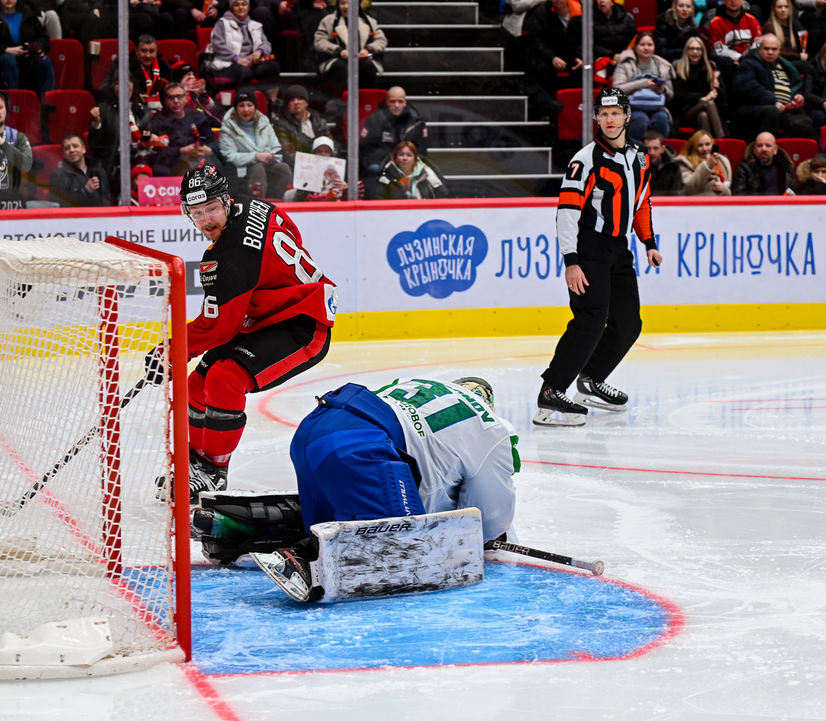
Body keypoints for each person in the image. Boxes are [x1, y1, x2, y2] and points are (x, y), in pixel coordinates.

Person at [247, 376, 520, 602]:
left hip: (313, 430)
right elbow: (491, 520)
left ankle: (246, 524)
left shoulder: (421, 386)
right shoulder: (492, 427)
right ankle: (304, 558)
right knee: (405, 557)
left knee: (339, 522)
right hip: (360, 448)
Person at [157, 164, 337, 501]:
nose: (206, 219)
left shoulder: (229, 257)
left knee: (225, 379)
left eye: (211, 208)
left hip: (303, 323)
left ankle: (213, 471)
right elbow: (291, 238)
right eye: (197, 213)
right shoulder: (258, 206)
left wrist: (169, 352)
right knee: (196, 385)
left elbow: (216, 327)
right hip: (267, 317)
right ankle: (196, 463)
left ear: (225, 200)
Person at [536, 88, 662, 427]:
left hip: (619, 249)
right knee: (590, 320)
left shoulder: (639, 157)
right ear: (596, 119)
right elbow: (566, 210)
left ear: (626, 116)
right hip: (589, 248)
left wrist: (649, 241)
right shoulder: (585, 159)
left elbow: (642, 202)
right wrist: (570, 260)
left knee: (629, 323)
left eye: (615, 113)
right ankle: (552, 391)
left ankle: (591, 379)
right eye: (603, 114)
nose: (609, 119)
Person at [734, 33, 815, 139]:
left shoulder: (784, 65)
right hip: (755, 108)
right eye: (766, 49)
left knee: (805, 122)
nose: (770, 52)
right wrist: (773, 101)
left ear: (779, 50)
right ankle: (765, 147)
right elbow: (750, 88)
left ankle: (782, 149)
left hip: (785, 109)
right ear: (759, 49)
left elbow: (794, 84)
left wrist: (798, 95)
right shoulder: (748, 64)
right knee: (772, 111)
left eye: (774, 49)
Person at [218, 87, 292, 198]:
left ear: (255, 107)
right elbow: (229, 156)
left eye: (249, 105)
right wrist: (255, 156)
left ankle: (283, 202)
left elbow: (275, 147)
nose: (246, 110)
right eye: (242, 106)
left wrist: (269, 156)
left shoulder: (264, 122)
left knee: (283, 168)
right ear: (236, 108)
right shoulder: (227, 128)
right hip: (241, 170)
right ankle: (259, 205)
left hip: (267, 164)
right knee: (257, 168)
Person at [0, 0, 55, 100]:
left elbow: (44, 38)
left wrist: (35, 46)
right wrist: (6, 49)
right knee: (8, 61)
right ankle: (10, 105)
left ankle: (46, 104)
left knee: (44, 60)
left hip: (26, 56)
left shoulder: (28, 16)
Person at [147, 80, 220, 177]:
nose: (176, 101)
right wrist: (182, 150)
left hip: (198, 160)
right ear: (165, 100)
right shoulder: (157, 120)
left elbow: (214, 142)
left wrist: (208, 149)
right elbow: (155, 152)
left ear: (185, 98)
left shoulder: (197, 117)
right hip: (170, 164)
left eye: (180, 96)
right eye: (171, 97)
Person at [612, 31, 675, 142]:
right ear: (636, 47)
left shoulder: (663, 65)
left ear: (654, 47)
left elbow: (670, 95)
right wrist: (643, 83)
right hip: (631, 107)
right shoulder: (625, 64)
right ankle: (633, 154)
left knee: (661, 118)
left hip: (657, 106)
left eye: (650, 45)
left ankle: (660, 155)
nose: (646, 48)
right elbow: (617, 90)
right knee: (640, 119)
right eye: (642, 45)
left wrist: (663, 89)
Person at [202, 0, 279, 88]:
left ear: (248, 7)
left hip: (250, 63)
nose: (241, 7)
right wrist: (236, 59)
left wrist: (259, 51)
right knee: (245, 72)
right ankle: (243, 98)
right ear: (231, 8)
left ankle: (271, 100)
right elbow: (218, 46)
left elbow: (266, 43)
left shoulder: (255, 25)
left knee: (274, 67)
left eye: (244, 4)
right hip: (229, 63)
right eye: (237, 5)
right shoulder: (222, 23)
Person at [313, 0, 387, 89]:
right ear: (338, 5)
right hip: (336, 59)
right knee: (341, 67)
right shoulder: (329, 21)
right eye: (342, 3)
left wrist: (368, 49)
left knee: (368, 67)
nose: (346, 6)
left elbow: (381, 40)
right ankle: (342, 100)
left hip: (362, 59)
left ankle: (367, 99)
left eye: (349, 3)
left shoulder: (369, 21)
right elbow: (319, 41)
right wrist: (338, 50)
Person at [359, 86, 428, 176]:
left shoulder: (416, 121)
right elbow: (366, 146)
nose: (396, 105)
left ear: (405, 103)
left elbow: (422, 147)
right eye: (393, 101)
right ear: (387, 102)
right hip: (381, 163)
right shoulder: (375, 119)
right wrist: (388, 159)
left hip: (407, 163)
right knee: (373, 169)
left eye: (400, 101)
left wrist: (407, 159)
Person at [522, 0, 583, 97]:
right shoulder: (541, 12)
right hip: (550, 54)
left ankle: (577, 104)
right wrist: (552, 57)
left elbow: (586, 39)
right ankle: (549, 105)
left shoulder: (581, 11)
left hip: (573, 55)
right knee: (542, 69)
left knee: (584, 69)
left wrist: (580, 57)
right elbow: (535, 40)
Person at [101, 34, 172, 115]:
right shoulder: (123, 63)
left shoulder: (165, 68)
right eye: (144, 51)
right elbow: (105, 89)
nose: (148, 55)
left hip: (160, 112)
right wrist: (135, 97)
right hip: (130, 110)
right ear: (136, 51)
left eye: (151, 51)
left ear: (156, 52)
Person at [704, 0, 762, 96]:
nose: (733, 1)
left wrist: (747, 57)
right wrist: (739, 57)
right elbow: (718, 50)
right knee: (726, 63)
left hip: (750, 58)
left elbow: (758, 42)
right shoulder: (715, 22)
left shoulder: (752, 20)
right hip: (730, 63)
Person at [671, 36, 725, 137]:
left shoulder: (711, 66)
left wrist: (717, 88)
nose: (695, 52)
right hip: (686, 111)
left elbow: (723, 96)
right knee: (708, 103)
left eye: (698, 49)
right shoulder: (679, 67)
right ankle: (722, 139)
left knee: (703, 116)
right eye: (691, 49)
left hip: (709, 112)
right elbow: (678, 95)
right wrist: (702, 98)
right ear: (686, 51)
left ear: (703, 51)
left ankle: (709, 148)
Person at [272, 84, 329, 165]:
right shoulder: (281, 125)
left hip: (322, 165)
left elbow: (333, 146)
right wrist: (312, 163)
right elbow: (288, 153)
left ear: (306, 102)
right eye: (292, 100)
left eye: (299, 99)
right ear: (288, 105)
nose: (296, 102)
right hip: (298, 167)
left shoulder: (320, 122)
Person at [371, 140, 448, 200]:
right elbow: (378, 199)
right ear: (395, 157)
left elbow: (442, 195)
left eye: (409, 155)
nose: (405, 158)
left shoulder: (427, 173)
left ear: (415, 158)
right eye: (401, 155)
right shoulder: (386, 176)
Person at [48, 133, 111, 206]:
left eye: (75, 146)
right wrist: (85, 191)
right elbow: (59, 204)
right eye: (67, 148)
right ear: (63, 154)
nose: (71, 150)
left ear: (83, 149)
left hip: (104, 215)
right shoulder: (57, 176)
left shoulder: (98, 169)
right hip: (78, 216)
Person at [283, 135, 350, 201]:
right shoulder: (305, 171)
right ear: (313, 153)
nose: (323, 154)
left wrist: (346, 190)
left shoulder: (340, 171)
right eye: (319, 151)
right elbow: (303, 199)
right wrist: (327, 197)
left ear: (331, 154)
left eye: (326, 151)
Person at [732, 130, 797, 193]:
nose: (764, 149)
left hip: (780, 204)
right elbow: (739, 195)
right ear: (754, 150)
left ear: (775, 150)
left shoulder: (786, 168)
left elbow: (793, 194)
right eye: (760, 145)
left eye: (768, 145)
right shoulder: (744, 169)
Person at [675, 129, 732, 194]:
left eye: (707, 144)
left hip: (720, 202)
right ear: (693, 147)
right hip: (697, 202)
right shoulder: (684, 162)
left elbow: (729, 192)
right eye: (700, 145)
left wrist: (723, 189)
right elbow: (688, 189)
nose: (705, 149)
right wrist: (707, 165)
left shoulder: (723, 161)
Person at [170, 60, 224, 127]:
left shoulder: (197, 92)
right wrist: (191, 93)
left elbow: (211, 107)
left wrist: (202, 95)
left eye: (193, 75)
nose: (192, 77)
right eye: (188, 76)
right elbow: (186, 107)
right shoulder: (175, 96)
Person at [765, 0, 808, 65]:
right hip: (779, 62)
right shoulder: (769, 26)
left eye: (786, 7)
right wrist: (798, 56)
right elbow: (772, 51)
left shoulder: (795, 25)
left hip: (797, 61)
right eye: (779, 7)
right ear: (774, 10)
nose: (783, 10)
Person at [642, 130, 684, 194]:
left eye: (656, 148)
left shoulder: (673, 167)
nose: (652, 153)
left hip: (668, 202)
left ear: (662, 149)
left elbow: (678, 192)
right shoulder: (636, 166)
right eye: (648, 148)